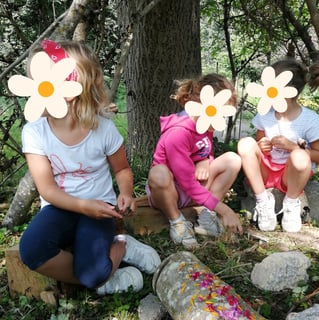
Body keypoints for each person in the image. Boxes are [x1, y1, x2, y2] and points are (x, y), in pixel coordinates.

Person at [17, 39, 161, 295]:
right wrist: (83, 206)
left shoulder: (102, 129)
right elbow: (48, 191)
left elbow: (122, 170)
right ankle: (99, 277)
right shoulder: (35, 132)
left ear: (71, 86)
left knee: (92, 270)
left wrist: (125, 192)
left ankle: (120, 245)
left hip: (101, 207)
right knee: (32, 249)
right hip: (59, 207)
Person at [146, 73, 243, 249]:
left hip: (193, 191)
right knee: (158, 173)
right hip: (171, 193)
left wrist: (205, 161)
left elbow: (206, 151)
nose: (221, 119)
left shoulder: (206, 124)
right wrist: (226, 210)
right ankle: (177, 222)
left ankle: (207, 217)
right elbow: (188, 184)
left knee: (233, 159)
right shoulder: (178, 133)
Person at [238, 59, 319, 233]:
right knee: (245, 144)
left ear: (287, 90)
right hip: (266, 171)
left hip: (290, 175)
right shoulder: (265, 114)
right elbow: (258, 144)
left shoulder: (310, 119)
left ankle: (291, 203)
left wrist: (293, 148)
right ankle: (263, 200)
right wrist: (261, 145)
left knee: (300, 156)